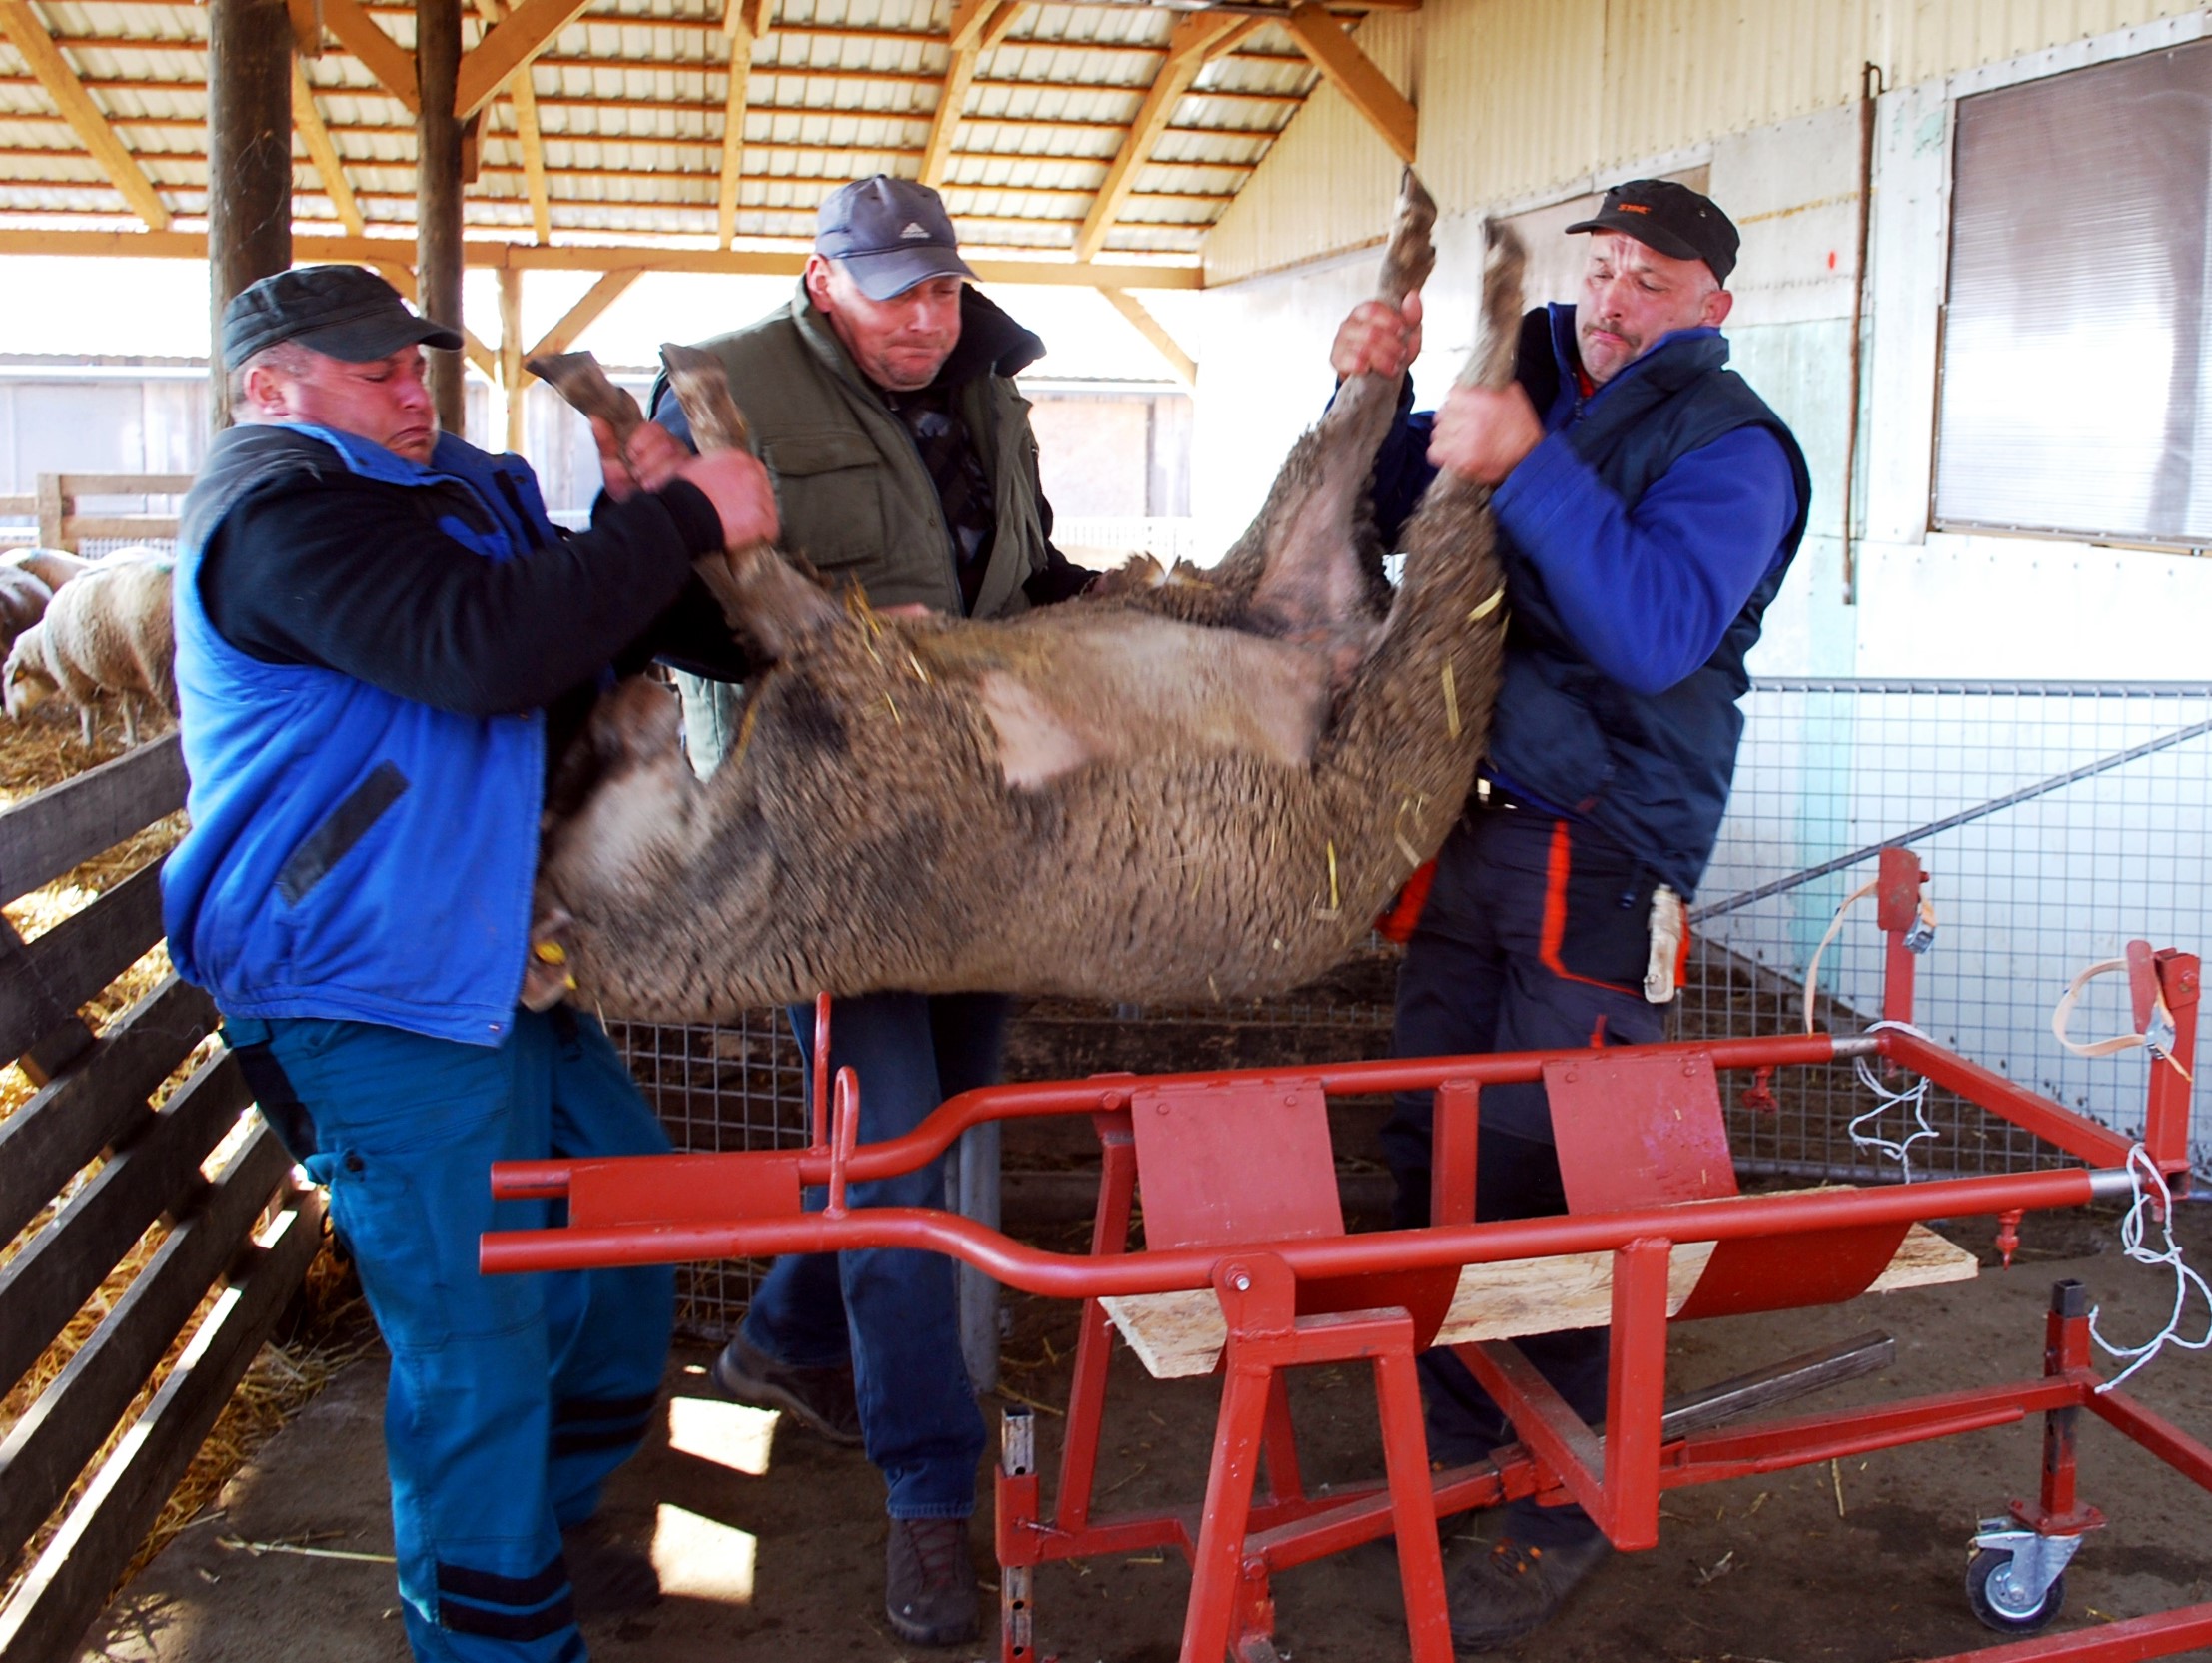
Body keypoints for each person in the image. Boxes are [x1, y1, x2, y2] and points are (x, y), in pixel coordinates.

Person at [164, 265, 778, 1663]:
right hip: (362, 982)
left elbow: (577, 628)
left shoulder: (452, 493)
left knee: (631, 1238)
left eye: (414, 363)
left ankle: (539, 1527)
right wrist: (684, 515)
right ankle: (490, 1631)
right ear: (272, 388)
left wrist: (648, 542)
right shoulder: (278, 517)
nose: (410, 386)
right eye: (372, 369)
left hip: (496, 957)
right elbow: (483, 648)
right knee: (475, 1336)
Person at [1333, 180, 1812, 1651]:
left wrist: (1529, 461)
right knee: (1434, 1136)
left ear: (1712, 306)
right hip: (1470, 825)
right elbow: (1381, 505)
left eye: (1649, 282)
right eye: (1600, 270)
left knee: (1560, 1176)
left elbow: (1654, 627)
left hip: (1599, 850)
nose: (1610, 303)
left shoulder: (1733, 451)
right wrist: (1374, 385)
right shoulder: (1530, 364)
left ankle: (1562, 1498)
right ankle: (1457, 1440)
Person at [644, 175, 1089, 1648]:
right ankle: (927, 1493)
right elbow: (656, 600)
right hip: (820, 836)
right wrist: (826, 636)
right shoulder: (719, 386)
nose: (925, 316)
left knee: (942, 1120)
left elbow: (1024, 569)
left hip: (976, 823)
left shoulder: (992, 389)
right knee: (897, 1147)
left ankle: (782, 1338)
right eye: (893, 289)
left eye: (942, 287)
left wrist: (1143, 620)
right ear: (820, 279)